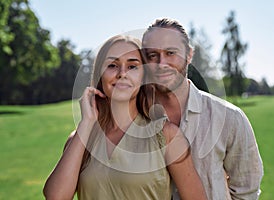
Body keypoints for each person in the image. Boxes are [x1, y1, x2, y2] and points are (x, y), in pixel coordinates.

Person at [43, 35, 207, 200]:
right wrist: (86, 123)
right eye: (112, 65)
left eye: (132, 66)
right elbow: (55, 197)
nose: (122, 73)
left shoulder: (167, 135)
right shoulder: (81, 138)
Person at [142, 18, 264, 199]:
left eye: (170, 53)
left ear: (189, 55)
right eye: (153, 55)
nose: (162, 63)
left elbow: (246, 191)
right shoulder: (133, 119)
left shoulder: (230, 118)